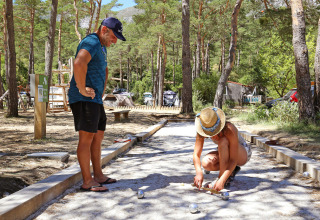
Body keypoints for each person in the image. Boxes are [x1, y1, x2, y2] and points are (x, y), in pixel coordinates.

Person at [68, 17, 126, 192]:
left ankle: (98, 175)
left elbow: (105, 69)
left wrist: (101, 91)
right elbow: (78, 63)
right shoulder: (92, 42)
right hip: (84, 99)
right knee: (86, 139)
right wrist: (82, 88)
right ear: (104, 30)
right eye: (114, 36)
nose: (115, 41)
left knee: (98, 136)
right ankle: (87, 181)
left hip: (95, 100)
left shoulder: (101, 47)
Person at [193, 106, 252, 192]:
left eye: (216, 132)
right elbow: (196, 154)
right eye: (210, 134)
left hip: (242, 153)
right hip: (225, 152)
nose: (214, 137)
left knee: (222, 140)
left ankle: (222, 177)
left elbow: (233, 159)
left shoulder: (229, 128)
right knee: (206, 163)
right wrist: (199, 172)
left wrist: (221, 180)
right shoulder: (201, 131)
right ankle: (231, 171)